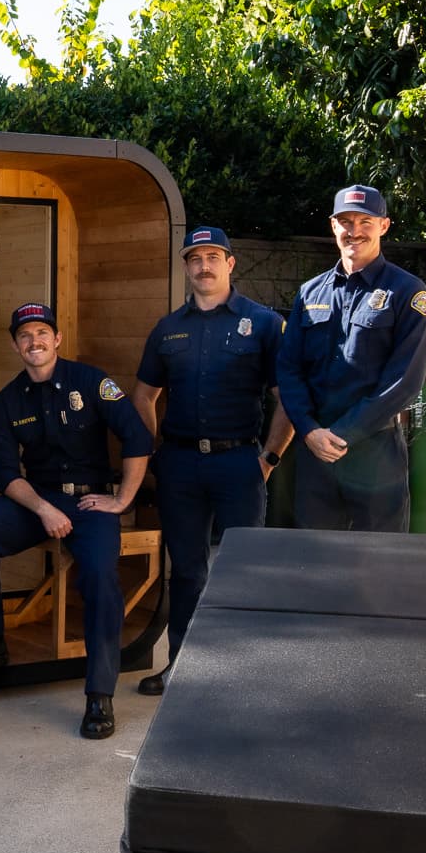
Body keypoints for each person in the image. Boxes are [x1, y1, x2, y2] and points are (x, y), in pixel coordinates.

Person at [0, 303, 153, 740]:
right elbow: (5, 475)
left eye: (42, 333)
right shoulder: (7, 400)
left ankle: (99, 694)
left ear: (56, 339)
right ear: (15, 344)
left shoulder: (92, 382)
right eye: (25, 335)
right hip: (37, 501)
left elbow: (137, 438)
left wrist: (122, 500)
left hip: (92, 502)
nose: (34, 341)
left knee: (98, 576)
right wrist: (42, 508)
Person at [129, 227, 293, 696]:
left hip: (240, 462)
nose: (204, 265)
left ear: (230, 263)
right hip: (180, 466)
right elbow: (143, 396)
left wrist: (269, 458)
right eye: (195, 258)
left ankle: (245, 675)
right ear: (186, 267)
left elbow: (289, 399)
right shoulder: (168, 328)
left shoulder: (262, 324)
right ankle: (180, 667)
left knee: (244, 570)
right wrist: (157, 451)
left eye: (213, 257)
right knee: (186, 571)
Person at [275, 185, 426, 532]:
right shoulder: (310, 293)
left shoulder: (407, 292)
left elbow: (404, 382)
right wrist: (309, 430)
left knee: (378, 569)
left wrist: (343, 434)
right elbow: (289, 369)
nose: (355, 230)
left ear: (384, 226)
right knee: (315, 565)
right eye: (346, 221)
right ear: (333, 226)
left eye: (366, 221)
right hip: (315, 454)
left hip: (375, 453)